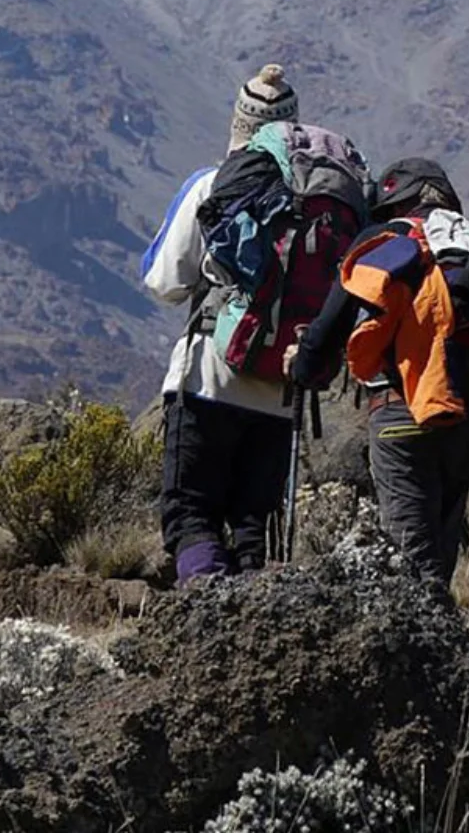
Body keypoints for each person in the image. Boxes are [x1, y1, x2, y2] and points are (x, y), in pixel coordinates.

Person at [290, 157, 469, 585]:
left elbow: (330, 326)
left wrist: (304, 366)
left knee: (410, 550)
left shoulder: (387, 239)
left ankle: (425, 621)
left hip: (401, 409)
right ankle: (443, 620)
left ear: (400, 202)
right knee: (443, 543)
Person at [142, 64, 301, 584]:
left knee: (190, 513)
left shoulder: (211, 185)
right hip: (281, 388)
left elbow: (164, 281)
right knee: (256, 528)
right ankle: (258, 615)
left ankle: (207, 607)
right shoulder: (311, 197)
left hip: (208, 378)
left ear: (238, 123)